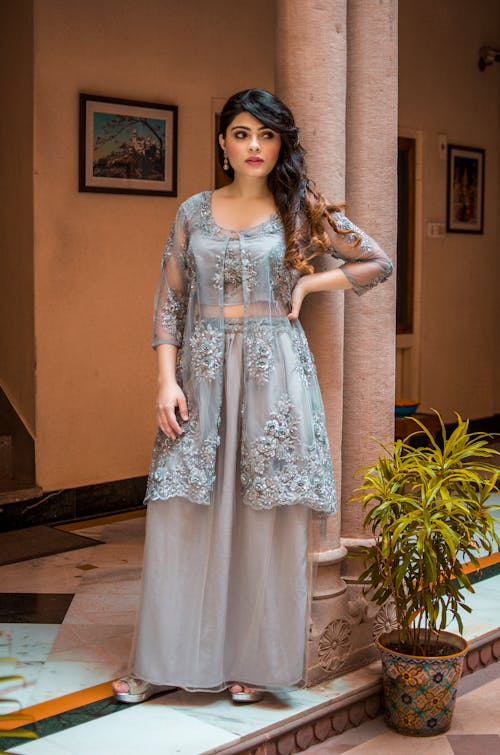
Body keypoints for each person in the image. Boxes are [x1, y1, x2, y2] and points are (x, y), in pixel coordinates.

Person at [112, 88, 393, 705]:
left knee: (266, 516)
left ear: (280, 144)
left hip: (275, 375)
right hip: (202, 375)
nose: (254, 146)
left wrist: (311, 284)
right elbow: (170, 301)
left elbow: (377, 261)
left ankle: (254, 664)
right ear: (222, 143)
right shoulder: (192, 212)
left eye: (266, 135)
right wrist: (165, 380)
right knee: (184, 508)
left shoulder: (299, 209)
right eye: (242, 134)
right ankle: (164, 660)